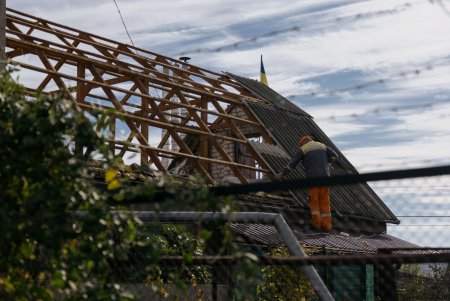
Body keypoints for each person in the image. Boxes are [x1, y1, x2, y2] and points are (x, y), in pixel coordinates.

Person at [276, 135, 338, 231]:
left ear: (302, 143)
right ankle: (326, 226)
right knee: (325, 201)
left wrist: (282, 174)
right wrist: (326, 161)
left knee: (314, 201)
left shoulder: (303, 149)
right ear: (310, 140)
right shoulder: (321, 145)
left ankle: (317, 225)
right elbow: (334, 155)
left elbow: (292, 164)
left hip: (313, 179)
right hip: (325, 179)